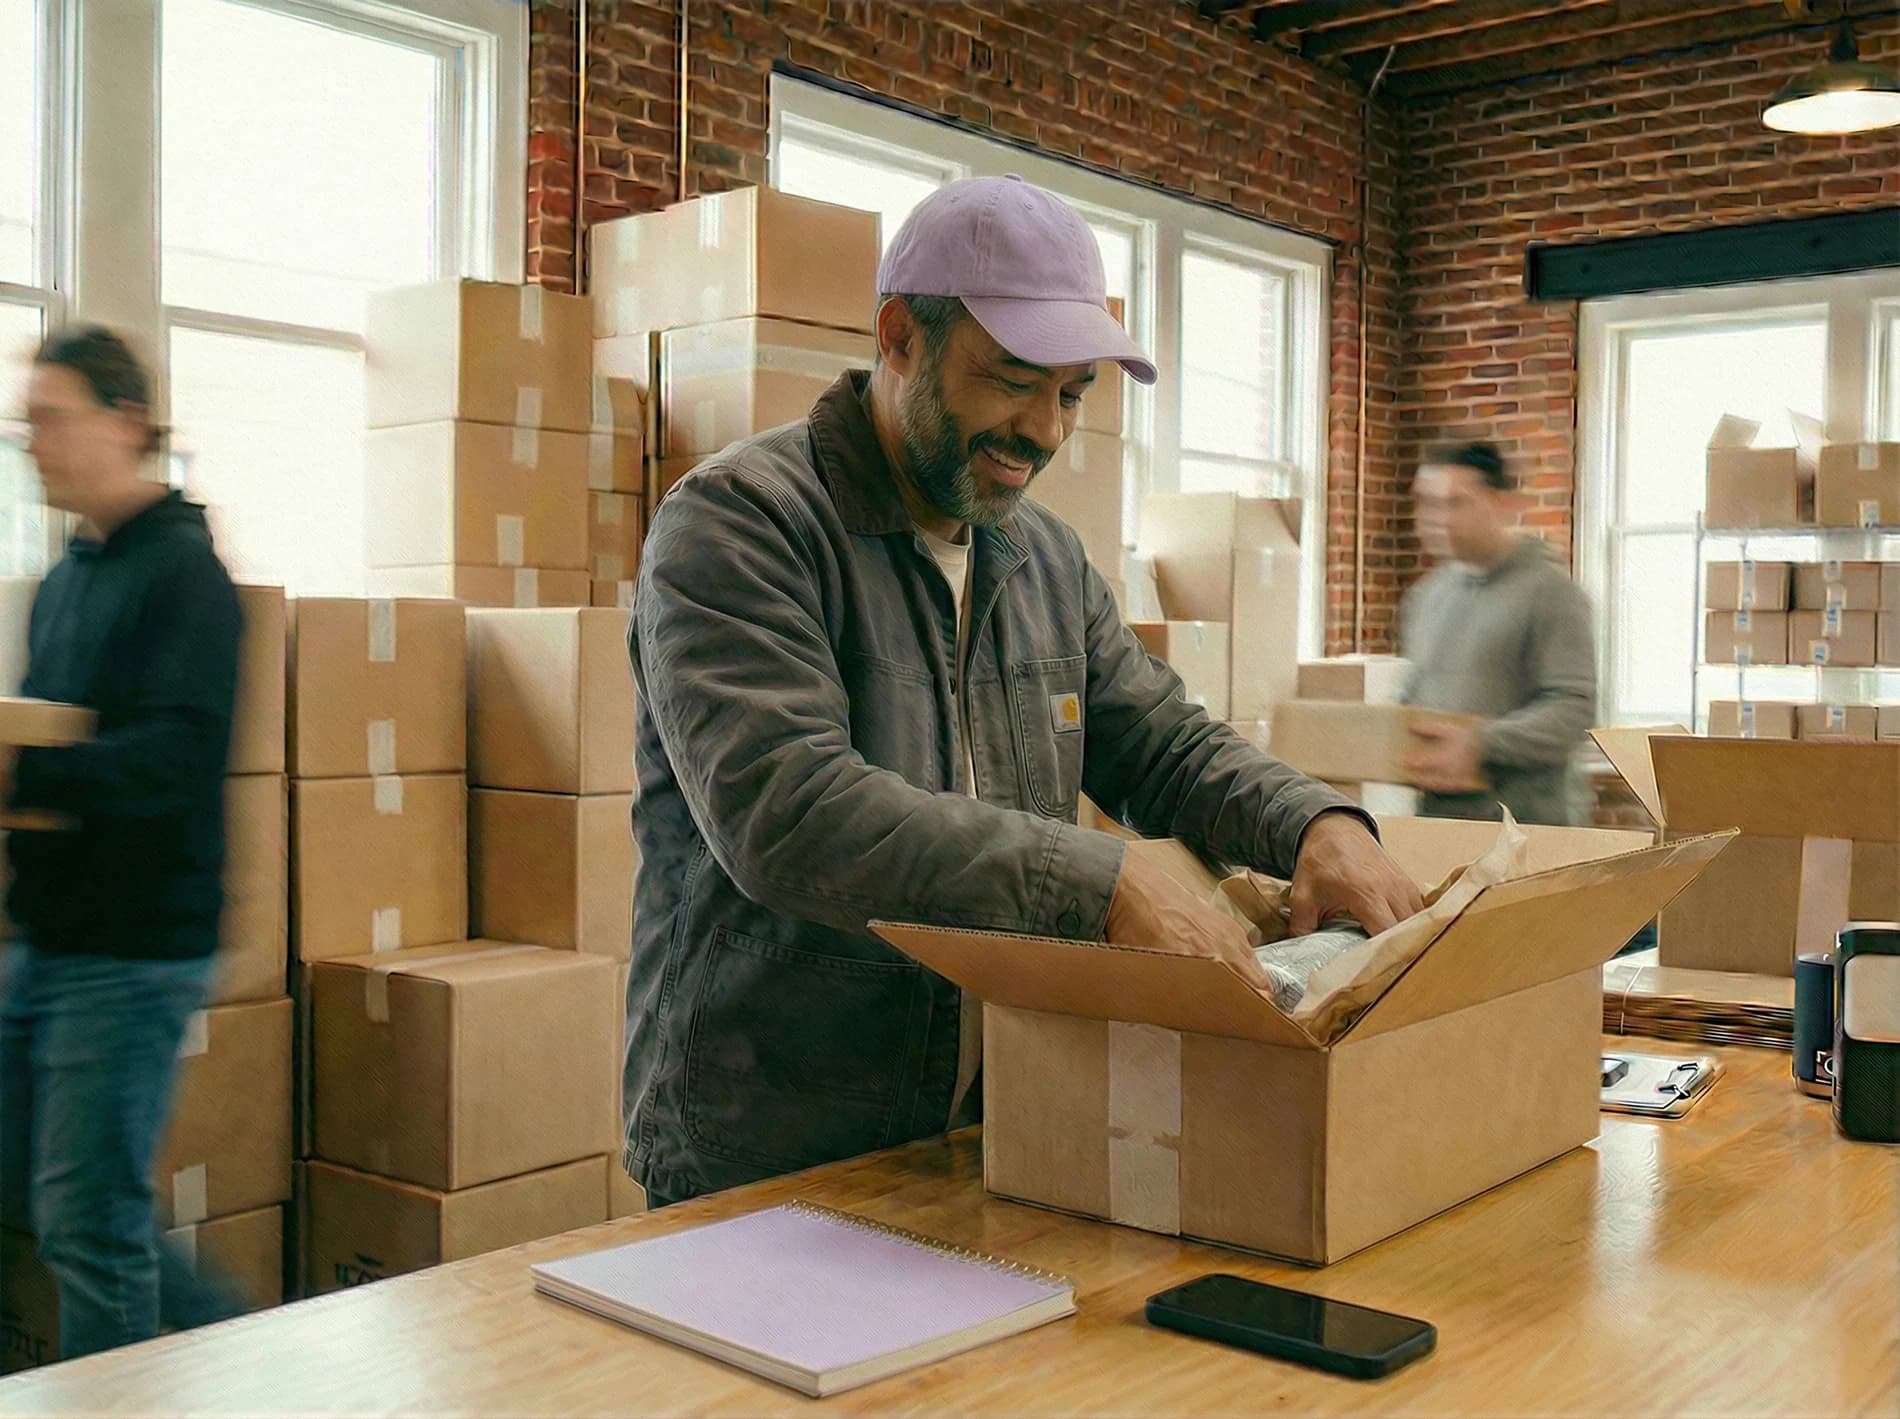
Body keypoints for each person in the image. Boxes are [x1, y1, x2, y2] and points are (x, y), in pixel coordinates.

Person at [623, 176, 1423, 1209]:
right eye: (1010, 382)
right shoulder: (741, 524)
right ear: (900, 335)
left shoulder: (1037, 555)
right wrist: (1100, 885)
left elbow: (1160, 741)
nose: (1045, 431)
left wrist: (1315, 823)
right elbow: (788, 811)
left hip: (990, 1126)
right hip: (773, 1134)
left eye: (1073, 393)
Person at [0, 327, 245, 1360]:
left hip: (134, 951)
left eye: (53, 418)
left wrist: (23, 776)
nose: (33, 443)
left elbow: (170, 766)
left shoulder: (186, 580)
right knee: (41, 1184)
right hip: (46, 936)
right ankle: (254, 1344)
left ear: (129, 423)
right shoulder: (69, 578)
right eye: (27, 424)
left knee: (87, 1223)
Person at [1399, 440, 1598, 826]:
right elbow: (1416, 701)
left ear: (1501, 503)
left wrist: (1480, 744)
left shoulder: (1552, 593)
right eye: (1426, 503)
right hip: (1440, 824)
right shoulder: (1425, 597)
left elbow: (1574, 708)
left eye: (1455, 503)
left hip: (1528, 830)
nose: (1436, 518)